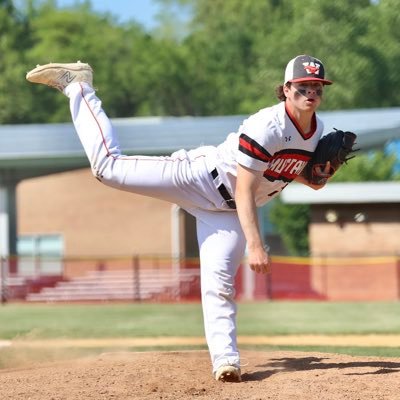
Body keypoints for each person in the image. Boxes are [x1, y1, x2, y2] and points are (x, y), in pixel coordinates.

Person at [26, 54, 333, 382]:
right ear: (286, 89)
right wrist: (255, 245)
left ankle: (226, 362)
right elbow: (245, 188)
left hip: (225, 213)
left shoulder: (317, 132)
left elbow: (291, 173)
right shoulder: (269, 125)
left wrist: (318, 176)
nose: (310, 92)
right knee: (108, 169)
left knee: (219, 284)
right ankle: (81, 88)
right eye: (302, 86)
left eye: (316, 86)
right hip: (198, 177)